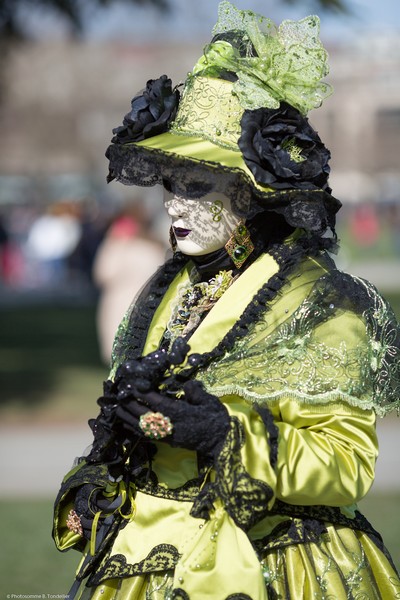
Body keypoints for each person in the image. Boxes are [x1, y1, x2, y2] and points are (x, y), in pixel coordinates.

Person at [53, 3, 400, 599]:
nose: (172, 205)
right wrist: (99, 471)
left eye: (195, 186)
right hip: (143, 559)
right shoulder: (168, 290)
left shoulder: (324, 303)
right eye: (169, 185)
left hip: (270, 563)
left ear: (254, 194)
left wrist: (225, 435)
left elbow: (347, 465)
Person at [93, 206, 165, 364]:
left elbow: (103, 273)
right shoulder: (153, 247)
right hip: (145, 303)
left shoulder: (121, 246)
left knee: (123, 352)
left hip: (123, 303)